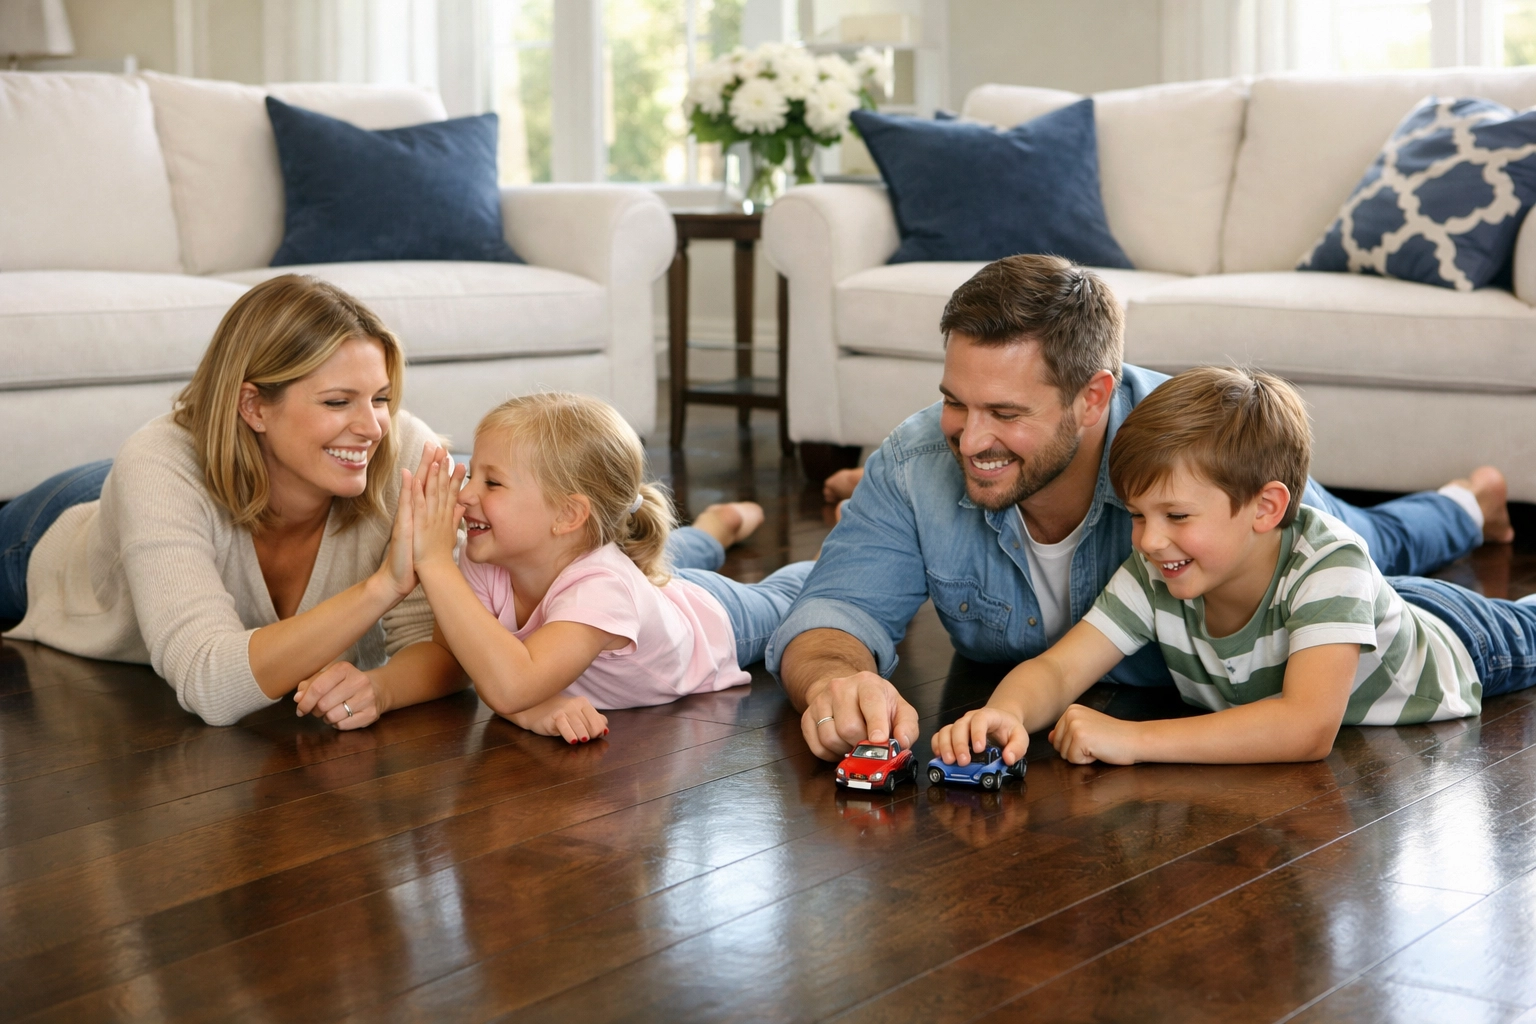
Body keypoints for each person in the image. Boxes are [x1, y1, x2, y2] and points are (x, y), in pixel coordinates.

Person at [768, 254, 1514, 761]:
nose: (969, 439)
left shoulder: (1197, 460)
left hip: (1401, 624)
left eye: (1005, 411)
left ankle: (1464, 502)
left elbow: (1308, 720)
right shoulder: (919, 459)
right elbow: (834, 610)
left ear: (1093, 397)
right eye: (955, 404)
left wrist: (1133, 742)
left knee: (1375, 539)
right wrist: (841, 681)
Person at [0, 275, 762, 730]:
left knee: (584, 562)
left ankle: (697, 536)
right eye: (338, 401)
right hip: (52, 536)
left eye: (382, 398)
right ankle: (702, 537)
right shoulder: (157, 467)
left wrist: (383, 688)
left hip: (584, 553)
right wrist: (382, 586)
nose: (372, 429)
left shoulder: (400, 447)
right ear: (253, 405)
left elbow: (450, 640)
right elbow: (210, 683)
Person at [931, 366, 1536, 767]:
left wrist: (1135, 739)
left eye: (1175, 514)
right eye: (1137, 515)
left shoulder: (1330, 563)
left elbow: (1305, 729)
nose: (1148, 540)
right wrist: (1002, 714)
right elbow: (1060, 671)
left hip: (1460, 640)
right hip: (1364, 616)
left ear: (1265, 508)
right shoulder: (1159, 571)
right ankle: (1466, 503)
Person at [405, 392, 814, 742]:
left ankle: (825, 551)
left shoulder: (601, 590)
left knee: (790, 598)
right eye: (472, 474)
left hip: (714, 620)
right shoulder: (491, 554)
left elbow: (511, 687)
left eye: (491, 483)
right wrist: (381, 689)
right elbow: (462, 654)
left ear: (568, 514)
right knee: (658, 560)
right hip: (644, 590)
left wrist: (435, 562)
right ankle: (714, 529)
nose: (465, 495)